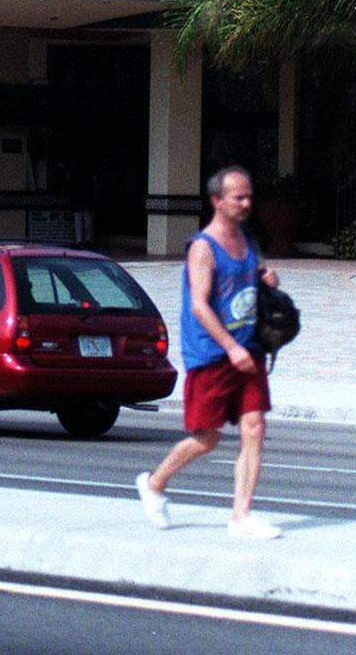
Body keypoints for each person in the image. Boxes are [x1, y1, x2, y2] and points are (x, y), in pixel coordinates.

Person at [136, 165, 282, 540]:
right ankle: (153, 485)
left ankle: (241, 516)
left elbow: (253, 274)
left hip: (248, 349)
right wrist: (231, 348)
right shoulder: (203, 247)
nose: (247, 203)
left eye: (249, 196)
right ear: (217, 201)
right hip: (212, 354)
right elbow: (200, 306)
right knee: (208, 437)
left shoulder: (246, 240)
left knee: (254, 427)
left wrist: (267, 278)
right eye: (238, 197)